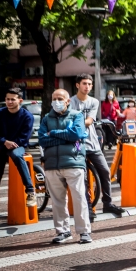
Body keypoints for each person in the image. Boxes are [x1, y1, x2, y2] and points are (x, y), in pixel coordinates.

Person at [38, 89, 92, 244]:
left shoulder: (77, 115)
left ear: (68, 101)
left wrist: (53, 133)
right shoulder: (46, 118)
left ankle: (84, 232)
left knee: (79, 198)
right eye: (54, 98)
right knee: (57, 201)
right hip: (52, 165)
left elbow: (76, 135)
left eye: (60, 98)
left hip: (73, 163)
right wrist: (64, 137)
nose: (56, 101)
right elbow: (42, 140)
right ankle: (63, 231)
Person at [70, 74, 123, 220]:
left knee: (105, 172)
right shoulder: (71, 102)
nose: (87, 86)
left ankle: (107, 203)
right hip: (76, 145)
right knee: (84, 178)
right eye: (84, 83)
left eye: (89, 84)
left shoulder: (94, 102)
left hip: (93, 143)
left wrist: (77, 121)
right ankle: (88, 207)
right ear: (77, 85)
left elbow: (89, 120)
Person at [0, 87, 36, 208]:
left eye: (13, 99)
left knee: (16, 155)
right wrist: (4, 141)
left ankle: (30, 191)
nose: (9, 102)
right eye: (7, 99)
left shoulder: (27, 116)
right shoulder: (0, 113)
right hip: (2, 145)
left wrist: (11, 144)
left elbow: (24, 138)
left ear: (20, 100)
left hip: (18, 146)